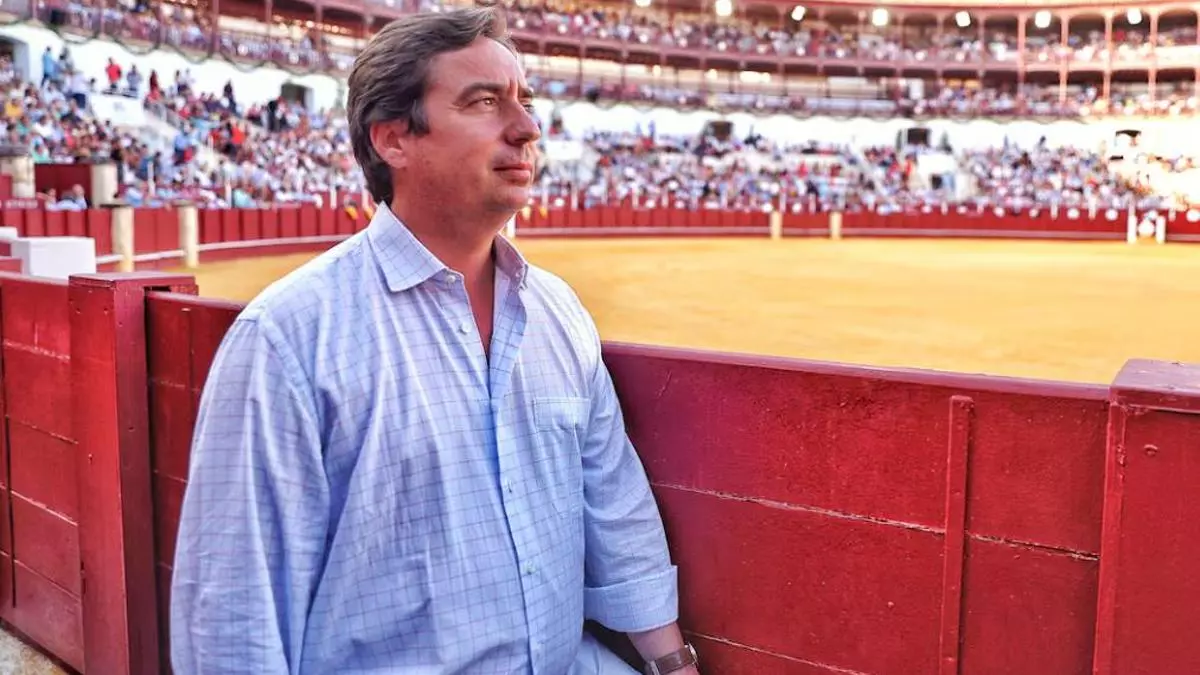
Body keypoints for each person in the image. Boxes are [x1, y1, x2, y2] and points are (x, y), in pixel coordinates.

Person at [168, 7, 701, 675]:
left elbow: (615, 506)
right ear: (395, 139)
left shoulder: (560, 312)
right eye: (484, 102)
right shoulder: (288, 337)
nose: (528, 128)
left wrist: (671, 663)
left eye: (525, 101)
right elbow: (233, 618)